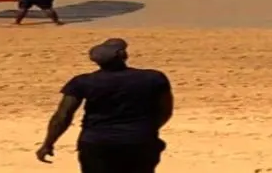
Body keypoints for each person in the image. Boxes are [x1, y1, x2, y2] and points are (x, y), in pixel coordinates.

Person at [36, 38, 173, 171]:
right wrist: (147, 129)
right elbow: (165, 110)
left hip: (96, 142)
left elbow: (63, 116)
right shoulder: (153, 78)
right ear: (123, 55)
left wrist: (48, 143)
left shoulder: (83, 82)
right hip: (140, 141)